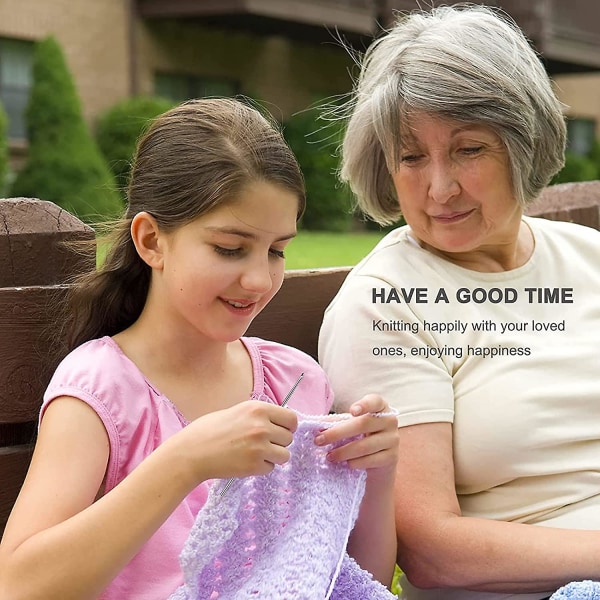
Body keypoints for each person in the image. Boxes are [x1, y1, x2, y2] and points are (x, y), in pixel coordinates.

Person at [0, 98, 399, 599]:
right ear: (151, 241)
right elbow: (20, 585)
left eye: (276, 250)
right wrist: (184, 461)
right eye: (229, 248)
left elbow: (352, 580)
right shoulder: (103, 390)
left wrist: (377, 471)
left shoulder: (294, 379)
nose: (258, 278)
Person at [318, 5, 600, 600]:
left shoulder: (589, 258)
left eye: (468, 150)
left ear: (522, 145)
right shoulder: (386, 305)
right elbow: (432, 552)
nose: (439, 188)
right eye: (412, 156)